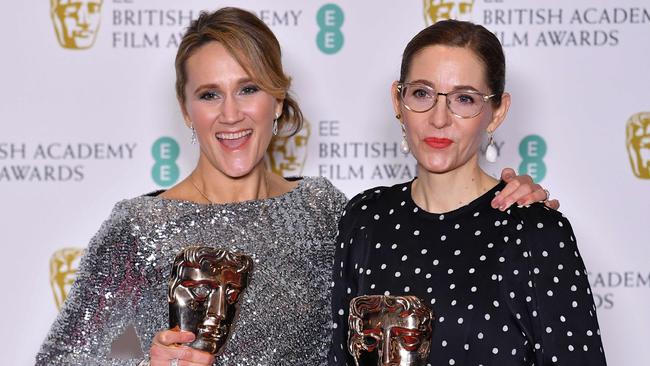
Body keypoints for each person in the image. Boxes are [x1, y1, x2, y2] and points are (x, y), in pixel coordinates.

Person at [36, 8, 555, 366]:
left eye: (249, 89)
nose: (231, 114)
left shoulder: (325, 212)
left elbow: (424, 242)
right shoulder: (138, 226)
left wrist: (503, 202)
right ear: (185, 109)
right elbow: (59, 359)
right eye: (209, 94)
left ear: (278, 100)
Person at [329, 20, 606, 366]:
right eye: (422, 93)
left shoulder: (535, 232)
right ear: (398, 101)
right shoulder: (366, 217)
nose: (439, 118)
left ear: (497, 112)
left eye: (464, 99)